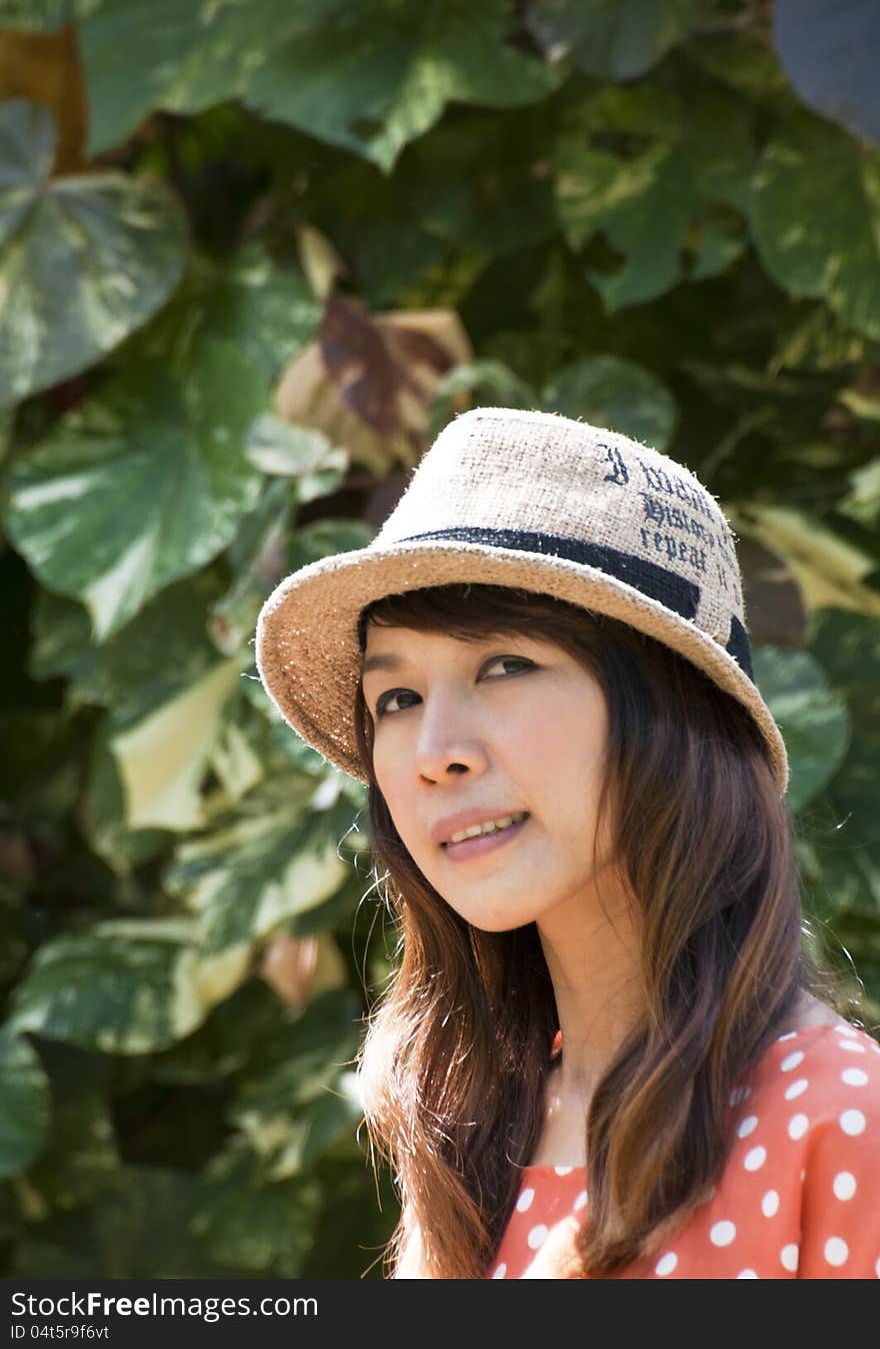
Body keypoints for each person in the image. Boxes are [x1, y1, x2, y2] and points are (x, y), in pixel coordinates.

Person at [255, 406, 880, 1279]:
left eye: (503, 665)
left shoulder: (840, 1119)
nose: (434, 753)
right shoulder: (472, 1124)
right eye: (394, 699)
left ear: (670, 707)